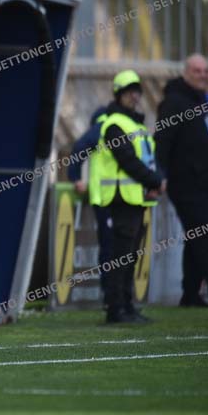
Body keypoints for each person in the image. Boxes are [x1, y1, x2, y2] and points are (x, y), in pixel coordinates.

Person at [90, 70, 164, 324]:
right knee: (120, 257)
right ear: (118, 94)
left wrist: (154, 181)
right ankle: (116, 309)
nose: (134, 96)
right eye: (129, 92)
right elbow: (128, 161)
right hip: (121, 198)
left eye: (136, 92)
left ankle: (127, 306)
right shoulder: (114, 124)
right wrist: (155, 181)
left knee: (129, 257)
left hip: (136, 197)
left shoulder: (136, 125)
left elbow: (147, 160)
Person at [155, 54, 208, 307]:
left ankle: (190, 293)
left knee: (197, 237)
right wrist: (159, 176)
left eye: (205, 71)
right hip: (187, 184)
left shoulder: (200, 102)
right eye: (197, 71)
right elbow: (162, 141)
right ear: (186, 72)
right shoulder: (174, 103)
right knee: (205, 236)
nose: (202, 75)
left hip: (204, 183)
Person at [67, 106, 113, 295]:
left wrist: (75, 178)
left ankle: (110, 293)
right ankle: (117, 295)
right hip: (125, 198)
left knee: (109, 247)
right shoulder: (121, 125)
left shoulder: (101, 127)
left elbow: (79, 147)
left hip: (105, 198)